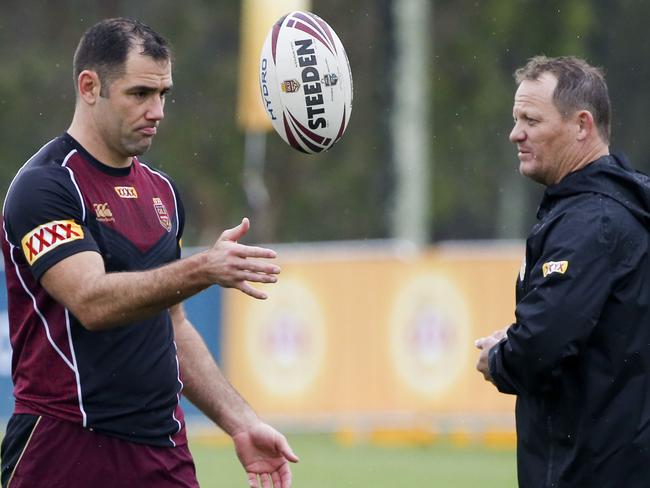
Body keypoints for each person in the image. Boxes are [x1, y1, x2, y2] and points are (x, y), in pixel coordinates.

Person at [0, 17, 298, 488]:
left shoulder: (162, 193)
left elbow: (173, 327)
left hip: (161, 448)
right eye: (139, 94)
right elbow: (92, 301)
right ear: (89, 86)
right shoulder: (47, 187)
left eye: (163, 94)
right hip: (63, 447)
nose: (156, 110)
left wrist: (241, 422)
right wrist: (203, 268)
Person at [475, 55, 650, 487]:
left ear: (582, 125)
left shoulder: (593, 222)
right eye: (517, 119)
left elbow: (543, 344)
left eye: (531, 120)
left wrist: (499, 357)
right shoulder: (604, 206)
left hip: (591, 469)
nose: (516, 133)